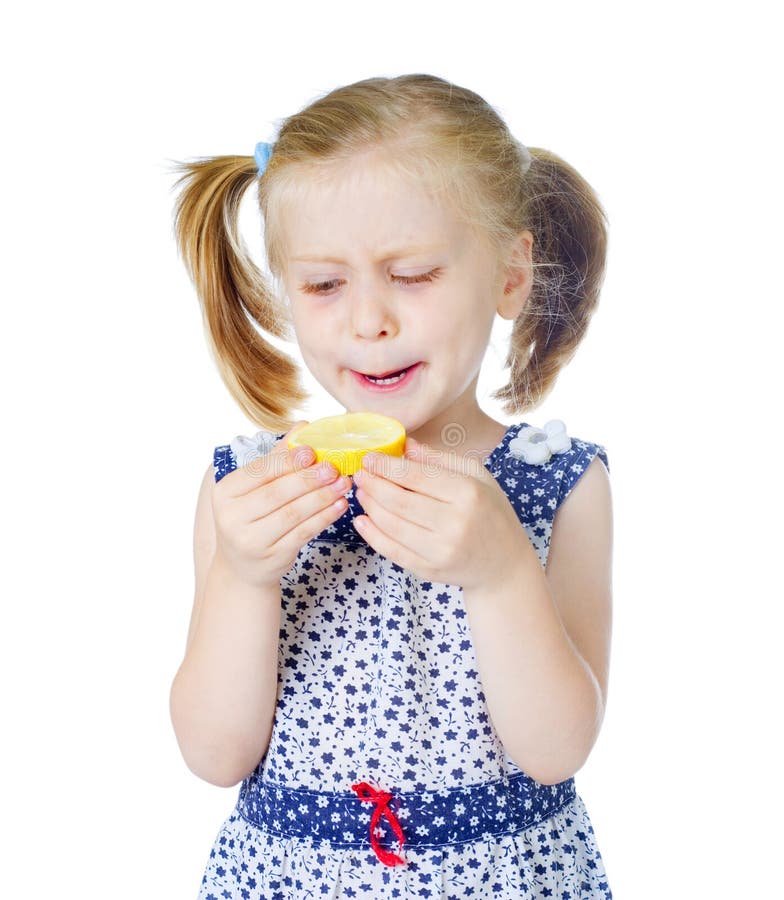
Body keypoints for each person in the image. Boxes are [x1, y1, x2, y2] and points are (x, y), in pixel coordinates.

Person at [169, 73, 614, 899]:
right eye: (325, 284)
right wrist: (243, 574)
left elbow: (557, 751)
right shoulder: (248, 489)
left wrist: (501, 572)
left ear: (511, 274)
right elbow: (213, 755)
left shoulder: (560, 484)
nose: (369, 321)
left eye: (411, 273)